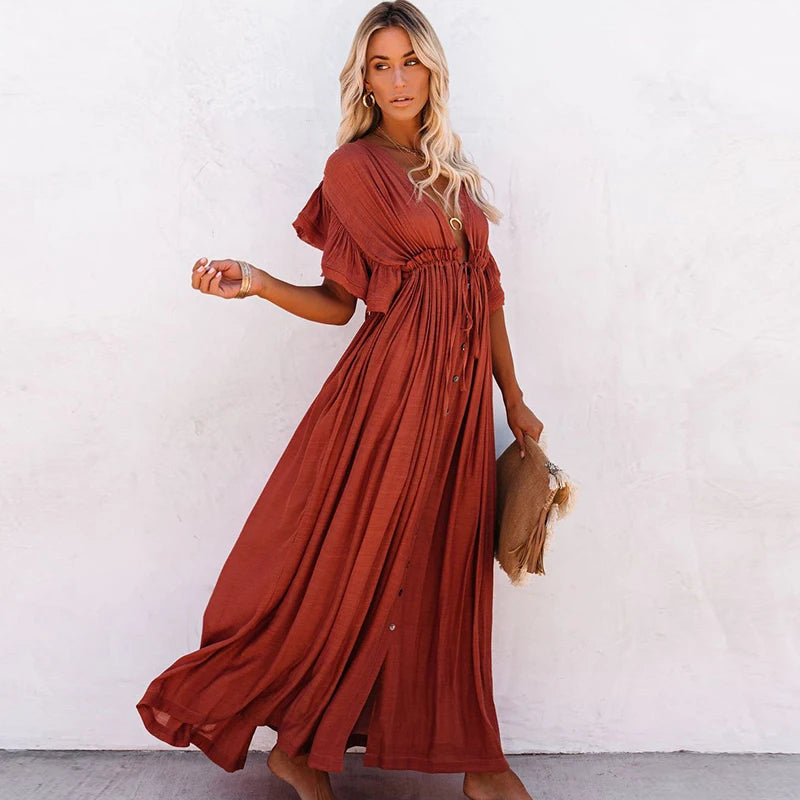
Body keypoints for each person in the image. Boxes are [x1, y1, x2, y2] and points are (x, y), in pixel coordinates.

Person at [136, 2, 544, 799]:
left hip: (460, 406)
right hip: (392, 395)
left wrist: (514, 396)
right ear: (365, 79)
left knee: (447, 569)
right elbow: (338, 304)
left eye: (409, 62)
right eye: (381, 65)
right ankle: (303, 748)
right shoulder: (352, 169)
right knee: (356, 567)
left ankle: (479, 762)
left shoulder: (454, 171)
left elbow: (486, 294)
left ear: (433, 69)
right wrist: (258, 283)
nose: (397, 79)